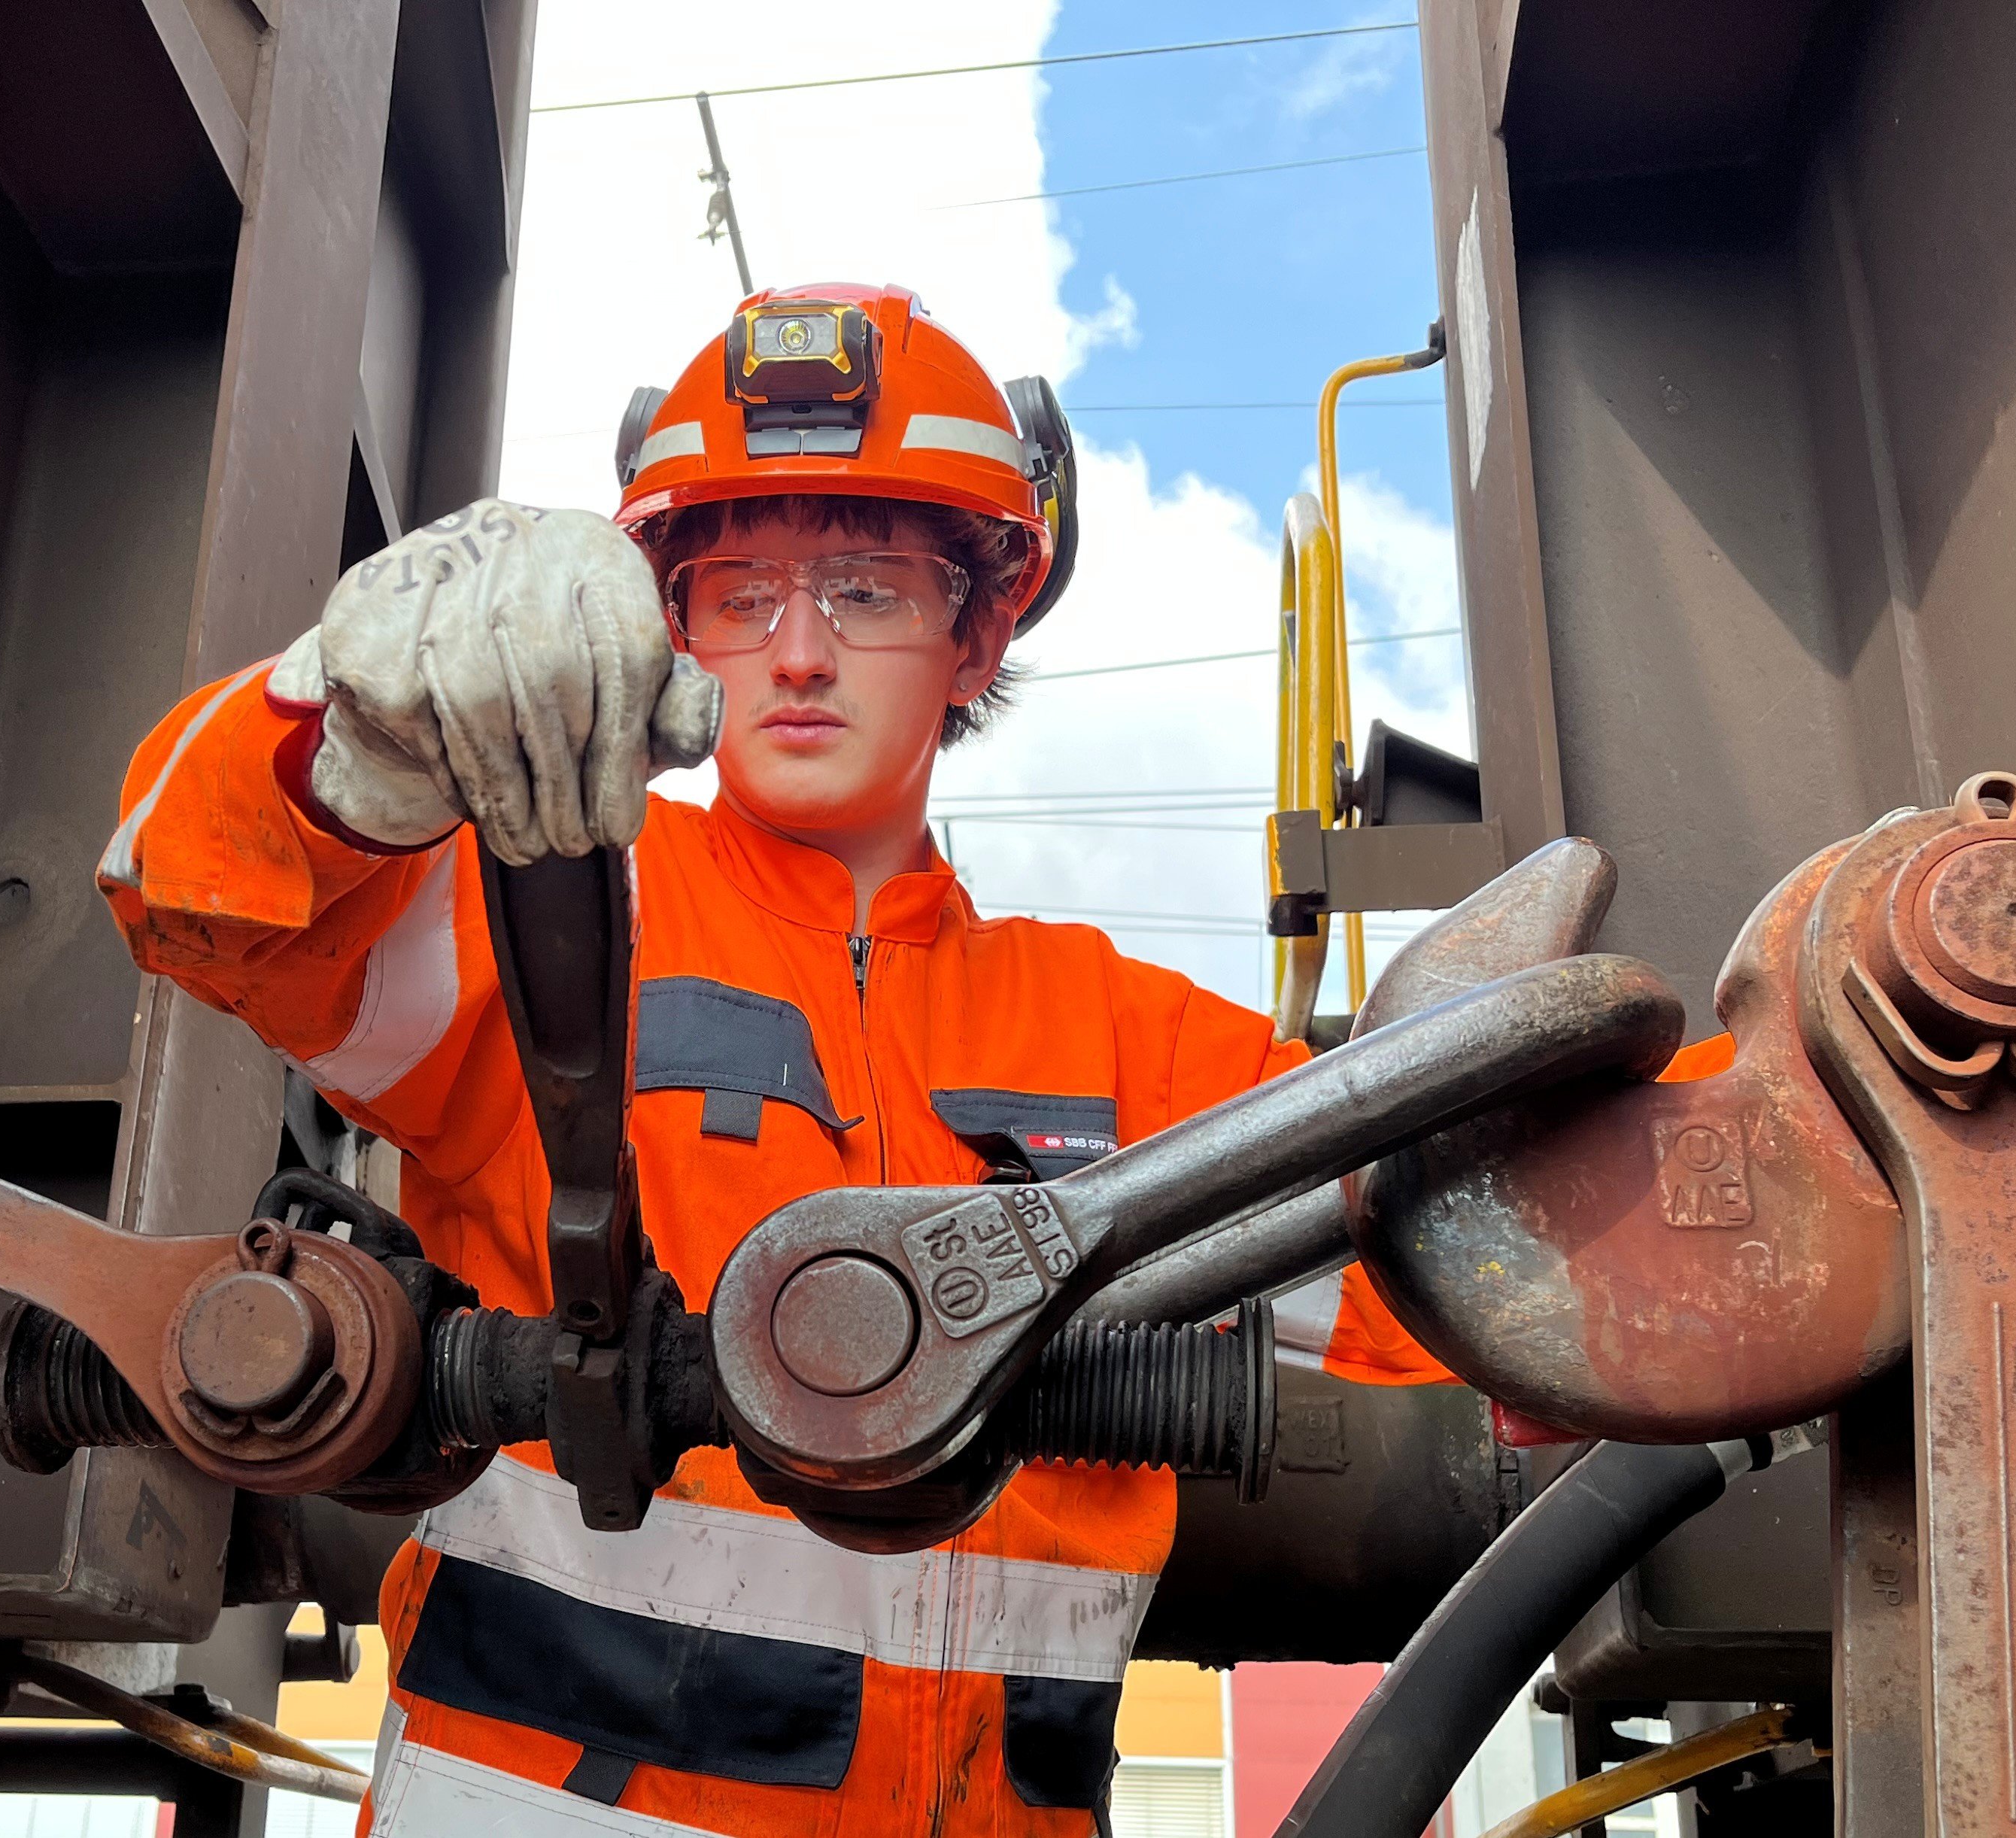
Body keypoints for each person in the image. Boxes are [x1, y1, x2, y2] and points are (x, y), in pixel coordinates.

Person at [98, 282, 1447, 1836]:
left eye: (866, 589)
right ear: (675, 623)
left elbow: (1473, 1255)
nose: (797, 652)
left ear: (977, 627)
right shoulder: (535, 894)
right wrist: (344, 729)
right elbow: (187, 893)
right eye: (739, 593)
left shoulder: (1122, 1037)